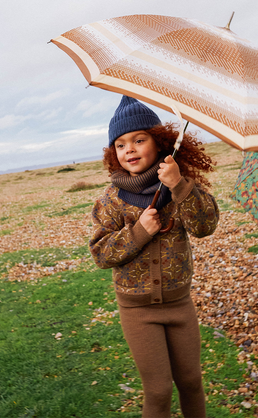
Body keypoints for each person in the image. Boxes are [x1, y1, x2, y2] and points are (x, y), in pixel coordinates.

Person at [89, 96, 219, 418]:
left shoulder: (179, 186)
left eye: (138, 139)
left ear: (159, 142)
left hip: (180, 304)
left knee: (191, 381)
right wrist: (139, 232)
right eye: (120, 144)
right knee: (158, 391)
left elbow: (205, 225)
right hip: (138, 310)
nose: (129, 149)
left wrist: (178, 185)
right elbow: (101, 253)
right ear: (112, 153)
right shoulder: (111, 199)